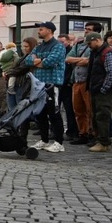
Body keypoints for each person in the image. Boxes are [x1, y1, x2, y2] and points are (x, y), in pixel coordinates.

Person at [25, 22, 67, 153]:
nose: (39, 31)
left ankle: (59, 142)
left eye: (41, 29)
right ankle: (44, 140)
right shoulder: (39, 46)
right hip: (39, 85)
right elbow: (28, 61)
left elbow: (50, 62)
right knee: (40, 114)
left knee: (53, 113)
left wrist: (38, 60)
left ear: (49, 30)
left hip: (52, 84)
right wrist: (39, 61)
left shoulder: (58, 46)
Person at [84, 32, 112, 153]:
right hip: (96, 89)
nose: (89, 45)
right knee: (97, 116)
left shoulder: (108, 53)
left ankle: (104, 142)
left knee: (102, 116)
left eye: (90, 43)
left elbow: (111, 73)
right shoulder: (96, 52)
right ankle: (100, 139)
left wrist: (103, 89)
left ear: (96, 40)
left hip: (103, 91)